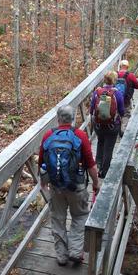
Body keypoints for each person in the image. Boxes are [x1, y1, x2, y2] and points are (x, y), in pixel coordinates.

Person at [38, 105, 99, 266]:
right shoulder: (80, 135)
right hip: (77, 186)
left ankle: (61, 256)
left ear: (58, 119)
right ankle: (75, 251)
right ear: (73, 119)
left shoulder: (48, 135)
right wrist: (96, 184)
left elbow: (41, 162)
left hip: (56, 186)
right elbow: (91, 164)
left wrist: (44, 184)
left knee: (58, 219)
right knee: (79, 216)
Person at [90, 71, 124, 178]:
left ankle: (97, 166)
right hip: (112, 126)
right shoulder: (117, 93)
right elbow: (122, 111)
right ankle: (104, 172)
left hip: (99, 125)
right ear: (114, 80)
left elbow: (91, 110)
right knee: (108, 148)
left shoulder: (97, 92)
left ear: (104, 80)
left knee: (100, 143)